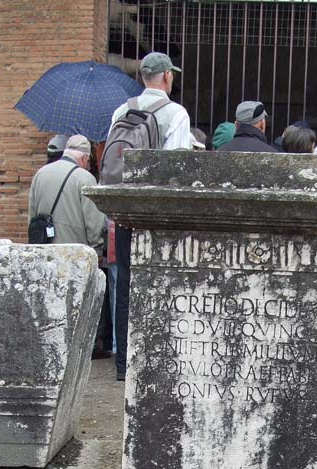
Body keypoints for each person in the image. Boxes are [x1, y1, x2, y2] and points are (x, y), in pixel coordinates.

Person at [107, 51, 192, 381]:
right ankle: (156, 358)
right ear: (167, 76)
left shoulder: (121, 111)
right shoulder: (176, 114)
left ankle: (123, 363)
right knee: (161, 284)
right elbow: (177, 170)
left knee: (126, 284)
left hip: (125, 211)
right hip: (158, 216)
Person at [27, 134, 105, 250]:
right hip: (74, 251)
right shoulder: (85, 178)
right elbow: (94, 223)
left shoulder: (40, 174)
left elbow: (32, 216)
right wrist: (97, 248)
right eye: (88, 161)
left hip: (43, 248)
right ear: (84, 158)